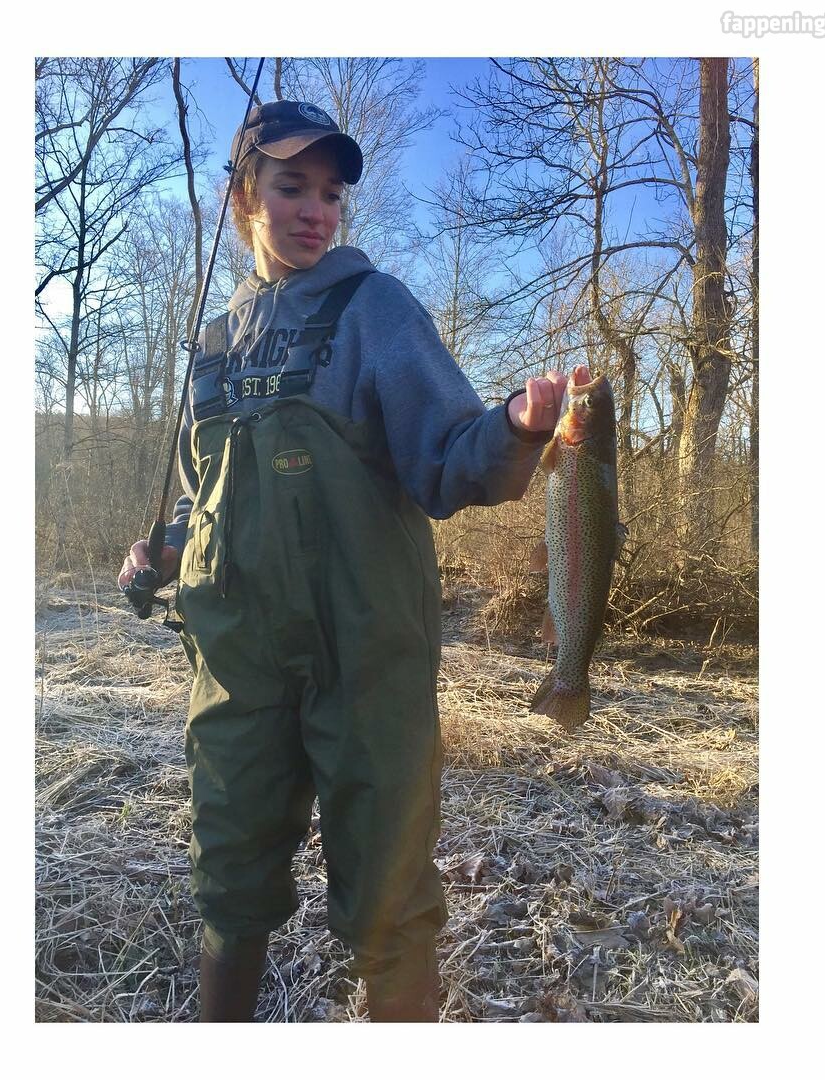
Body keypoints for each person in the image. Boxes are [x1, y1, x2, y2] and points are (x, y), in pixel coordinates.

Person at [118, 100, 568, 1023]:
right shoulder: (213, 344)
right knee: (228, 882)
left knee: (388, 904)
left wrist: (518, 428)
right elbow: (206, 496)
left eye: (330, 194)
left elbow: (449, 459)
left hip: (366, 663)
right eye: (293, 187)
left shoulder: (377, 310)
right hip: (236, 669)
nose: (316, 211)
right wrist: (162, 550)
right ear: (243, 198)